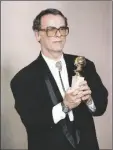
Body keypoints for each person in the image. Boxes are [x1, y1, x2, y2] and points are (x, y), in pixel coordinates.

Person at [10, 8, 108, 150]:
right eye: (51, 29)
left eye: (62, 29)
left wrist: (89, 100)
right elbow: (31, 122)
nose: (58, 35)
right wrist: (65, 106)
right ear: (37, 35)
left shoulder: (85, 65)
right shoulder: (22, 79)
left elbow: (101, 107)